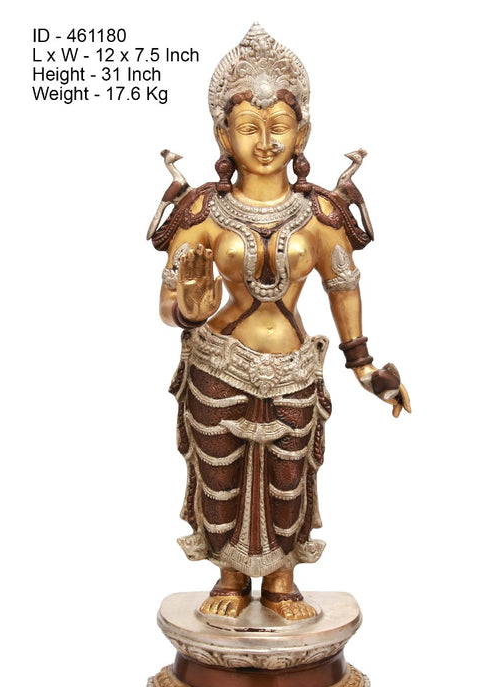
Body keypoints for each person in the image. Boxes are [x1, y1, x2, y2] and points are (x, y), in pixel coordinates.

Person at [150, 24, 410, 620]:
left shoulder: (320, 214)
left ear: (302, 135)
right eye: (248, 127)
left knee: (289, 475)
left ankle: (283, 580)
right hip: (217, 364)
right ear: (223, 134)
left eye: (279, 127)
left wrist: (366, 368)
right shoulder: (201, 211)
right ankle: (228, 579)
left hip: (294, 369)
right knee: (221, 476)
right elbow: (168, 303)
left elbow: (344, 288)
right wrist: (187, 308)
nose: (265, 142)